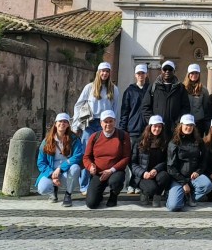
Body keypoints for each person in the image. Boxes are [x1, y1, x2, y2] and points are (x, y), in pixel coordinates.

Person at [74, 63, 120, 193]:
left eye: (107, 71)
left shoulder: (114, 89)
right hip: (91, 123)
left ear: (109, 73)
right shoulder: (89, 87)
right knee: (86, 154)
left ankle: (99, 183)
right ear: (98, 72)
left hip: (106, 125)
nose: (104, 74)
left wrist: (115, 125)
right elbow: (78, 105)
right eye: (102, 71)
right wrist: (76, 123)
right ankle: (84, 185)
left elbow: (116, 108)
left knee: (102, 154)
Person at [82, 110, 131, 209]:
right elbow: (86, 157)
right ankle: (99, 194)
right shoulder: (94, 137)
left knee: (116, 181)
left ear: (115, 122)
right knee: (91, 204)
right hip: (98, 172)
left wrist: (111, 170)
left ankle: (113, 196)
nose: (108, 124)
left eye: (110, 121)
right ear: (101, 123)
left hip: (115, 171)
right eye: (105, 121)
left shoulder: (123, 135)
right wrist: (90, 166)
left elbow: (126, 157)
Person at [166, 114, 212, 211]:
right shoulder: (174, 143)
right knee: (174, 207)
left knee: (208, 185)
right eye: (186, 125)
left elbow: (204, 160)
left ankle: (190, 195)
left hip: (194, 178)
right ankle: (177, 195)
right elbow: (170, 167)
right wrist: (183, 183)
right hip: (178, 179)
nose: (189, 127)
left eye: (191, 125)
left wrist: (198, 172)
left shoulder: (199, 142)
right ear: (181, 125)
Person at [35, 112, 82, 207]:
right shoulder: (47, 141)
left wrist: (60, 169)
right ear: (56, 124)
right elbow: (41, 162)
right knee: (42, 189)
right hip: (51, 171)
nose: (62, 123)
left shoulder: (74, 139)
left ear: (68, 125)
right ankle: (53, 190)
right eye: (60, 121)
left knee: (76, 168)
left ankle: (68, 194)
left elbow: (77, 156)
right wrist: (52, 174)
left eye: (65, 121)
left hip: (66, 171)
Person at [118, 63, 150, 194]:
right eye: (138, 73)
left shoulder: (150, 89)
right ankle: (131, 183)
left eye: (143, 73)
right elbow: (124, 112)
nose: (141, 76)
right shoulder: (129, 91)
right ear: (135, 75)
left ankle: (138, 183)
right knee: (131, 157)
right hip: (133, 129)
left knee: (143, 158)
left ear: (146, 74)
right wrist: (122, 129)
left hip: (147, 130)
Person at [130, 115, 173, 207]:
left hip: (157, 173)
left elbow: (167, 161)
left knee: (165, 177)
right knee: (151, 188)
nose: (157, 129)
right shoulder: (139, 142)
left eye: (159, 126)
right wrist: (143, 173)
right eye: (155, 126)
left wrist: (156, 169)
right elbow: (132, 163)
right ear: (150, 127)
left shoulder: (165, 142)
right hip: (142, 175)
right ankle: (144, 192)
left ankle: (157, 196)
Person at [143, 61, 189, 128]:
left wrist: (178, 122)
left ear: (174, 71)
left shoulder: (180, 88)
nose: (167, 71)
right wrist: (153, 121)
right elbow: (145, 107)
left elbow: (186, 107)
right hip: (157, 128)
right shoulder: (153, 87)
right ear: (161, 71)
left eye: (170, 69)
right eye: (165, 69)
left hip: (174, 128)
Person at [184, 63, 211, 135]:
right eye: (192, 73)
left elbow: (206, 107)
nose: (194, 75)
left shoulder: (203, 90)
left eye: (196, 73)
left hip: (199, 122)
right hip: (186, 122)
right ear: (188, 74)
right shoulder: (183, 88)